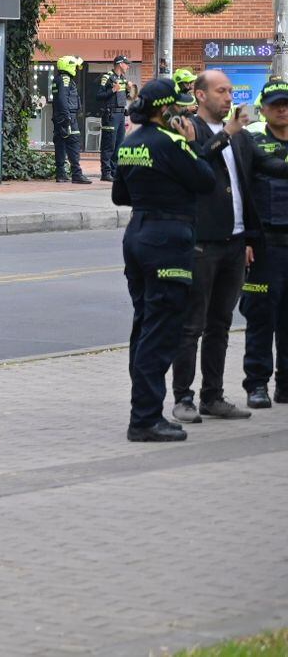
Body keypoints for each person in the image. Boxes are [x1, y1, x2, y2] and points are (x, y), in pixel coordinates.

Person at [111, 77, 217, 441]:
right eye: (179, 105)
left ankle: (142, 411)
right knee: (161, 330)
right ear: (164, 109)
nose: (185, 110)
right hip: (168, 239)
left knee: (144, 326)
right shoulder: (173, 142)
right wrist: (192, 145)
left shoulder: (130, 142)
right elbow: (205, 181)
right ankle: (144, 419)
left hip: (138, 234)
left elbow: (119, 196)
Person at [171, 69, 266, 422]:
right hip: (201, 243)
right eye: (221, 91)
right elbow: (196, 162)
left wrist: (249, 238)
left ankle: (213, 395)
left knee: (220, 324)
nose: (229, 98)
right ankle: (183, 397)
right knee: (191, 324)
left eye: (230, 91)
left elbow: (249, 184)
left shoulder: (240, 138)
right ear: (200, 95)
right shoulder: (186, 128)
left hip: (235, 242)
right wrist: (227, 132)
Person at [242, 81, 288, 408]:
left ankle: (286, 386)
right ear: (264, 108)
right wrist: (244, 240)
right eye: (276, 104)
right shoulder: (253, 143)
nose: (282, 109)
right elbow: (242, 195)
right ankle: (257, 385)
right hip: (264, 246)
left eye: (286, 103)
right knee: (261, 318)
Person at [52, 56, 92, 184]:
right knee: (74, 144)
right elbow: (63, 99)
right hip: (67, 116)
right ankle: (76, 174)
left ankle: (61, 174)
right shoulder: (65, 79)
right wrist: (67, 117)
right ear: (68, 66)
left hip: (60, 116)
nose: (76, 68)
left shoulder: (58, 79)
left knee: (61, 144)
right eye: (74, 66)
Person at [97, 55, 134, 181]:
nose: (128, 66)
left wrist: (129, 90)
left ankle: (114, 171)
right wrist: (113, 90)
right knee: (109, 145)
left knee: (119, 145)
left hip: (120, 115)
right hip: (110, 115)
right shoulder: (107, 77)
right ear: (119, 64)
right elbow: (99, 95)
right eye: (126, 64)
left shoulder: (123, 78)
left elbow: (125, 96)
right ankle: (105, 173)